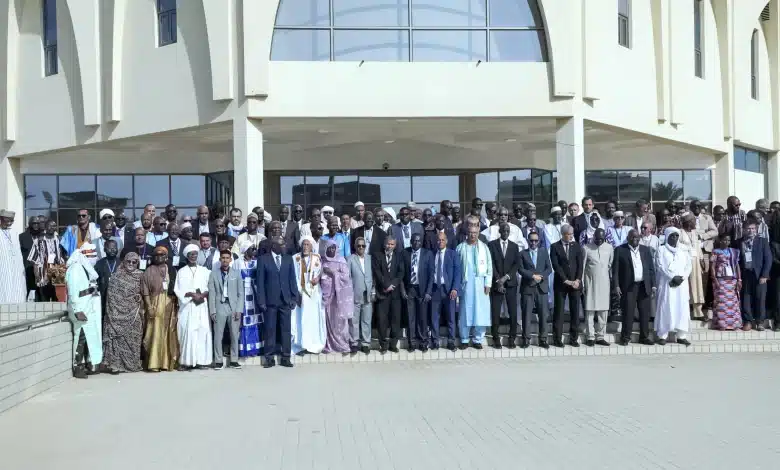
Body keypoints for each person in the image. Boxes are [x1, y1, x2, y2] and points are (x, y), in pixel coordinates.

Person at [256, 236, 299, 368]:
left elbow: (292, 279)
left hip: (285, 300)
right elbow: (260, 282)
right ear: (274, 246)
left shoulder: (288, 259)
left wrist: (294, 297)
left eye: (284, 244)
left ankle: (286, 357)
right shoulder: (263, 259)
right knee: (270, 330)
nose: (284, 246)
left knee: (286, 329)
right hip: (270, 301)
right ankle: (269, 357)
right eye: (281, 244)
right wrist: (261, 301)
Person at [102, 252, 143, 374]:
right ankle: (115, 365)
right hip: (116, 314)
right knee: (116, 339)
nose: (131, 264)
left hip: (134, 312)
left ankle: (132, 364)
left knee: (134, 337)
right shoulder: (116, 276)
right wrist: (114, 314)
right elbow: (111, 296)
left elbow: (145, 292)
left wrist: (141, 297)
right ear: (124, 262)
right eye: (128, 261)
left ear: (137, 263)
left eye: (134, 262)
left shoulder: (141, 275)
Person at [65, 245, 103, 378]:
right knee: (80, 337)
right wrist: (77, 310)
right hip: (79, 309)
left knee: (90, 336)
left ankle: (91, 362)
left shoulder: (85, 268)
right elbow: (73, 292)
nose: (93, 260)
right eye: (90, 257)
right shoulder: (76, 269)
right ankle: (77, 366)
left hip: (88, 307)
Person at [613, 230, 656, 346]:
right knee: (628, 312)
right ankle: (625, 337)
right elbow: (615, 270)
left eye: (637, 237)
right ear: (628, 238)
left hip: (644, 285)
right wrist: (616, 285)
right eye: (632, 237)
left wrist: (653, 285)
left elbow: (651, 269)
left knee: (644, 313)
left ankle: (644, 337)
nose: (635, 239)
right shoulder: (620, 250)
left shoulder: (645, 250)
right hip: (628, 286)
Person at [141, 246, 179, 371]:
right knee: (154, 332)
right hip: (154, 303)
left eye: (162, 255)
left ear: (166, 257)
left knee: (168, 332)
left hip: (169, 303)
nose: (159, 257)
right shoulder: (149, 270)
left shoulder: (171, 270)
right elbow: (145, 291)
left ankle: (165, 363)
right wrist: (149, 307)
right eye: (156, 255)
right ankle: (154, 363)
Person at [174, 244, 213, 369]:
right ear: (187, 256)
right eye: (190, 254)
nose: (193, 256)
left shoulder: (204, 271)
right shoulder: (181, 271)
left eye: (195, 254)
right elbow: (178, 289)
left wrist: (202, 295)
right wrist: (191, 294)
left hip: (201, 305)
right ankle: (186, 362)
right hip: (188, 306)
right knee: (188, 332)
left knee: (203, 331)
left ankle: (202, 361)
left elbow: (209, 287)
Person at [655, 227, 693, 345]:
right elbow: (660, 265)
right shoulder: (661, 250)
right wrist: (672, 277)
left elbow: (689, 266)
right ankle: (662, 335)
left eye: (676, 236)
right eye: (672, 236)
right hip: (667, 283)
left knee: (681, 307)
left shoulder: (683, 251)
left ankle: (681, 335)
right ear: (667, 237)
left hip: (681, 284)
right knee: (665, 306)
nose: (675, 238)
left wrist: (682, 278)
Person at [456, 225, 492, 349]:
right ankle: (464, 339)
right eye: (470, 233)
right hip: (466, 284)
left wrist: (488, 283)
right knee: (465, 311)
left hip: (481, 284)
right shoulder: (460, 247)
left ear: (478, 233)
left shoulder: (484, 248)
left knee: (480, 311)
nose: (473, 235)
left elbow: (489, 267)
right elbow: (457, 268)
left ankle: (478, 339)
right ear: (467, 233)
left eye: (475, 233)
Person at [207, 249, 244, 369]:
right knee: (218, 334)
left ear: (231, 260)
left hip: (233, 307)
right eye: (223, 258)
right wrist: (212, 310)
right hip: (220, 306)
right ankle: (218, 360)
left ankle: (234, 360)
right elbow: (212, 294)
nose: (225, 260)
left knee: (234, 334)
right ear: (220, 259)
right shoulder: (213, 274)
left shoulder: (236, 273)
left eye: (227, 258)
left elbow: (240, 293)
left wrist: (239, 310)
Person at [550, 224, 584, 348]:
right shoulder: (555, 247)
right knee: (559, 311)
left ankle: (573, 338)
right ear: (563, 234)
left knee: (575, 311)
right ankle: (557, 338)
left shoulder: (576, 246)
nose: (571, 236)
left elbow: (580, 265)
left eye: (572, 234)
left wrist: (578, 280)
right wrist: (565, 280)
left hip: (575, 284)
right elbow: (556, 265)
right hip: (561, 283)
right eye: (568, 234)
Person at [488, 223, 520, 349]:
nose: (505, 232)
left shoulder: (514, 246)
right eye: (503, 230)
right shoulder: (492, 245)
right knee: (495, 312)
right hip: (496, 283)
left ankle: (512, 338)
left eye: (508, 230)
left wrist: (506, 277)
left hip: (511, 283)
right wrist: (498, 279)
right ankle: (496, 338)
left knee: (513, 312)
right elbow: (491, 263)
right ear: (499, 231)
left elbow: (516, 264)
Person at [292, 237, 326, 355]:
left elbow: (321, 270)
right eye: (304, 244)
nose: (305, 246)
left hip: (313, 293)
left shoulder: (316, 257)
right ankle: (301, 345)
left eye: (308, 244)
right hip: (300, 293)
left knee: (313, 320)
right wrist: (298, 291)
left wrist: (318, 277)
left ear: (311, 246)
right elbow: (294, 276)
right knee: (300, 320)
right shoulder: (295, 258)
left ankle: (312, 345)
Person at [518, 231, 552, 349]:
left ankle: (543, 339)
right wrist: (533, 276)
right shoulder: (522, 253)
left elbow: (549, 268)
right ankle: (526, 339)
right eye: (531, 240)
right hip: (528, 287)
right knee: (526, 314)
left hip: (541, 287)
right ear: (527, 241)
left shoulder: (543, 252)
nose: (533, 243)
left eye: (535, 240)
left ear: (539, 241)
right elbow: (520, 269)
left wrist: (541, 277)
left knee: (543, 314)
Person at [401, 233, 433, 352]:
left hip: (423, 289)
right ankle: (412, 342)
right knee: (411, 317)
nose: (416, 243)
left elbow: (431, 275)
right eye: (414, 241)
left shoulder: (428, 254)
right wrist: (403, 289)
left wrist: (428, 292)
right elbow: (401, 274)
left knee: (422, 317)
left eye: (418, 241)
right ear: (411, 242)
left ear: (421, 242)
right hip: (410, 289)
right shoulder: (405, 253)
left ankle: (423, 341)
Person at [321, 240, 354, 354]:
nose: (331, 250)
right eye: (329, 248)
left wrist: (333, 273)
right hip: (326, 297)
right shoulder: (322, 261)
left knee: (340, 322)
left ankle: (343, 345)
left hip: (339, 298)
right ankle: (329, 345)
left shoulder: (341, 261)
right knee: (328, 321)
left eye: (333, 248)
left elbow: (346, 278)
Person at [737, 221, 771, 331]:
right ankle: (748, 321)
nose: (750, 231)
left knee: (760, 299)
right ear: (743, 229)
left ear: (756, 230)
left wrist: (765, 275)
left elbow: (768, 259)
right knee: (746, 298)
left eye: (753, 229)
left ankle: (760, 322)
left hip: (759, 275)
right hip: (745, 274)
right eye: (748, 229)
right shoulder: (738, 242)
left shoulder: (763, 241)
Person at [429, 231, 460, 351]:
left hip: (449, 290)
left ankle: (451, 341)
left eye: (442, 240)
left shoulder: (453, 254)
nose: (440, 242)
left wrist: (455, 288)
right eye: (438, 240)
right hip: (435, 289)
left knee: (451, 317)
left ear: (446, 241)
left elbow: (458, 273)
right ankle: (435, 341)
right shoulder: (431, 254)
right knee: (434, 317)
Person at [373, 237, 404, 353]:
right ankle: (383, 345)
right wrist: (386, 285)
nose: (389, 246)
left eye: (392, 244)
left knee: (395, 320)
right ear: (384, 244)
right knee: (382, 320)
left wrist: (393, 285)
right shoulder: (377, 255)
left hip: (395, 294)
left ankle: (393, 344)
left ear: (395, 246)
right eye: (388, 244)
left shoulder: (399, 256)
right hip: (383, 292)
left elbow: (401, 272)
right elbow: (377, 272)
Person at [582, 228, 613, 347]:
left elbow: (610, 265)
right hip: (590, 283)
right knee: (589, 311)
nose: (599, 241)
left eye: (601, 239)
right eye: (597, 238)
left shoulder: (609, 248)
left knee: (603, 311)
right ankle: (590, 336)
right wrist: (583, 284)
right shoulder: (586, 248)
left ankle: (600, 336)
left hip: (604, 284)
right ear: (593, 237)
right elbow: (583, 267)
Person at [231, 242, 261, 357]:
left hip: (254, 296)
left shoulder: (257, 262)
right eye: (252, 248)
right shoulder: (237, 263)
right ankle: (244, 349)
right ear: (246, 250)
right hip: (242, 296)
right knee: (243, 322)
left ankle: (255, 349)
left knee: (255, 321)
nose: (254, 250)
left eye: (255, 248)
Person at [710, 234, 743, 331]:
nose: (726, 242)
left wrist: (739, 279)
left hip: (732, 280)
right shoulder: (715, 252)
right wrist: (714, 279)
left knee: (732, 303)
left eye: (728, 240)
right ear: (720, 241)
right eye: (724, 240)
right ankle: (722, 324)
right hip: (720, 280)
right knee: (721, 302)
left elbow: (737, 266)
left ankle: (733, 324)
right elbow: (712, 266)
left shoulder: (734, 251)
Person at [348, 237, 373, 355]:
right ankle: (354, 343)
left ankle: (365, 343)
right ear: (355, 246)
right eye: (359, 246)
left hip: (367, 294)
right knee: (354, 321)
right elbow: (347, 278)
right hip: (355, 293)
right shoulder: (351, 259)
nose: (361, 248)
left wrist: (373, 290)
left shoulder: (370, 259)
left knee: (366, 320)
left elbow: (373, 276)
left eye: (363, 246)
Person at [679, 214, 706, 320]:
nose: (696, 223)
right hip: (684, 263)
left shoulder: (695, 233)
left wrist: (701, 258)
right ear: (688, 222)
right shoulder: (680, 233)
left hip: (695, 262)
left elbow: (698, 247)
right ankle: (684, 313)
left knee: (697, 286)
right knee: (684, 287)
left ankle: (698, 312)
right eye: (694, 221)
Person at [0, 210, 28, 303]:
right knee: (4, 286)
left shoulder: (14, 232)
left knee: (18, 285)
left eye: (11, 221)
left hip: (16, 266)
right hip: (3, 266)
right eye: (6, 220)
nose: (9, 223)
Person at [19, 216, 43, 298]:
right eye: (34, 223)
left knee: (41, 295)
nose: (36, 225)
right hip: (27, 269)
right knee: (28, 294)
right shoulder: (22, 237)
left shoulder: (44, 236)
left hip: (41, 271)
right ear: (30, 224)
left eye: (38, 223)